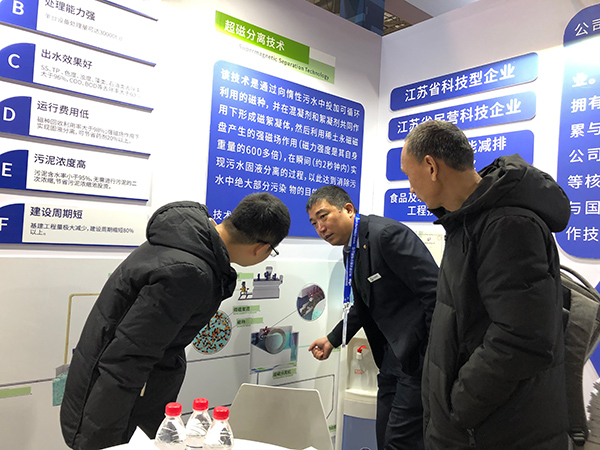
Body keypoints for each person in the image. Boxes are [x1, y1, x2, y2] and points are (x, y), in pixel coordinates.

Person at [60, 193, 290, 450]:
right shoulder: (189, 271)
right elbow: (130, 356)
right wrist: (109, 438)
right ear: (261, 248)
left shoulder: (187, 242)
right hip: (111, 403)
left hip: (118, 390)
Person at [400, 120, 570, 449]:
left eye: (409, 175)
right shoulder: (468, 221)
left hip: (497, 429)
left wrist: (459, 406)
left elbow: (523, 338)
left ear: (431, 167)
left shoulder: (507, 224)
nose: (410, 188)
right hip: (478, 426)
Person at [306, 185, 439, 450]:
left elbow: (435, 293)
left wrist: (429, 350)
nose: (320, 228)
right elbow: (363, 305)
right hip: (389, 357)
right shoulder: (350, 249)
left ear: (348, 209)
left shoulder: (386, 235)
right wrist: (332, 340)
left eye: (323, 216)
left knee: (401, 440)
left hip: (416, 358)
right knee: (385, 435)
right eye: (314, 223)